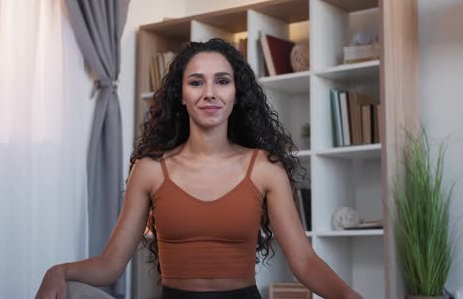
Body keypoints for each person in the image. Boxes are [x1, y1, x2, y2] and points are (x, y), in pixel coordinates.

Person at [35, 38, 363, 299]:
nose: (210, 93)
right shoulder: (150, 169)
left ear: (236, 94)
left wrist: (348, 296)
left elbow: (303, 261)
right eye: (196, 82)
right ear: (181, 95)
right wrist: (58, 271)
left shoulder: (264, 168)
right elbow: (110, 265)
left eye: (222, 81)